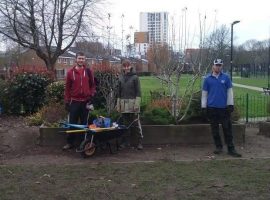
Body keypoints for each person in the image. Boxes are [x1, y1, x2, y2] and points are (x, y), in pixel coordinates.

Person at [201, 58, 242, 157]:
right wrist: (203, 107)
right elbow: (204, 94)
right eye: (216, 65)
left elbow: (230, 92)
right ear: (213, 66)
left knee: (227, 130)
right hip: (212, 109)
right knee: (215, 130)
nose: (218, 67)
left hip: (224, 109)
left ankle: (231, 149)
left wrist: (230, 104)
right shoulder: (207, 79)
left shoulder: (226, 78)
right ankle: (218, 147)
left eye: (220, 65)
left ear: (221, 66)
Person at [63, 52, 96, 150]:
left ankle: (83, 143)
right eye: (79, 58)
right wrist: (67, 101)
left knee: (84, 124)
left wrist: (91, 95)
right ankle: (70, 143)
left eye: (83, 58)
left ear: (84, 60)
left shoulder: (88, 71)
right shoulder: (70, 73)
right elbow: (67, 89)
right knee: (72, 123)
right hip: (74, 102)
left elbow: (93, 85)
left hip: (85, 102)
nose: (81, 60)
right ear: (76, 59)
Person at [116, 59, 143, 150]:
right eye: (124, 66)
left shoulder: (135, 77)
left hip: (133, 104)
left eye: (128, 66)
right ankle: (125, 142)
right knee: (125, 124)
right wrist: (118, 104)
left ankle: (139, 142)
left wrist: (136, 104)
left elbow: (138, 92)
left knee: (135, 124)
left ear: (130, 66)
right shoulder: (120, 77)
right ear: (122, 67)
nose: (126, 68)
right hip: (123, 104)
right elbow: (118, 93)